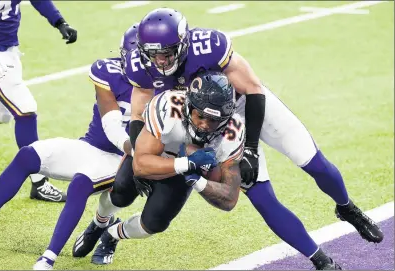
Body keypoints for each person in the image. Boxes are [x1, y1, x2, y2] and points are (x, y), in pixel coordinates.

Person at [123, 7, 382, 270]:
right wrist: (138, 159)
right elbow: (137, 115)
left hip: (244, 104)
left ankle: (347, 207)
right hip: (210, 123)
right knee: (261, 197)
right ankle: (321, 261)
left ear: (182, 44)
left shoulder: (209, 45)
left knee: (312, 161)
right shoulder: (139, 67)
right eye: (153, 54)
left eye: (166, 53)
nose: (160, 61)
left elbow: (253, 89)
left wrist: (251, 149)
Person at [0, 23, 139, 270]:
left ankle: (48, 258)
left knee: (81, 183)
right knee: (27, 155)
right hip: (93, 145)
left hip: (122, 158)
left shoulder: (164, 86)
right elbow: (110, 125)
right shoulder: (107, 70)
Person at [72, 71, 245, 265]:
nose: (205, 125)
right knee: (121, 193)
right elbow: (140, 165)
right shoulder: (169, 106)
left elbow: (229, 198)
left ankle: (112, 234)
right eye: (201, 116)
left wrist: (197, 180)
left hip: (183, 172)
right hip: (154, 155)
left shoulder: (233, 131)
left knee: (154, 224)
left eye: (214, 120)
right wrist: (187, 163)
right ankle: (99, 222)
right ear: (189, 106)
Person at [0, 0, 78, 202]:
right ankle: (39, 183)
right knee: (25, 111)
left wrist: (59, 22)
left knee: (0, 114)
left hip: (8, 51)